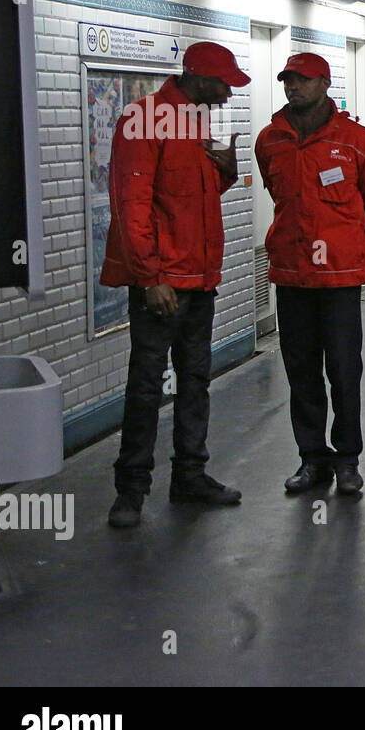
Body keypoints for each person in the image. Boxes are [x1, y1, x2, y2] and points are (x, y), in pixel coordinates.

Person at [101, 41, 249, 528]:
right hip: (162, 283)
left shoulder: (199, 124)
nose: (229, 94)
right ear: (199, 78)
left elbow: (194, 197)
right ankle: (130, 491)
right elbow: (130, 204)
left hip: (201, 278)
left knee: (195, 381)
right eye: (224, 84)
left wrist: (225, 172)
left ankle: (189, 476)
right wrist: (150, 277)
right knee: (146, 386)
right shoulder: (142, 120)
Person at [255, 52, 365, 496]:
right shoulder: (270, 140)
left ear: (325, 84)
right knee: (300, 368)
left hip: (339, 276)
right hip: (291, 274)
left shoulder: (358, 141)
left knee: (345, 368)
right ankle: (313, 459)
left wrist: (351, 250)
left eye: (303, 80)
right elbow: (277, 192)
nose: (294, 87)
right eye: (288, 80)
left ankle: (348, 459)